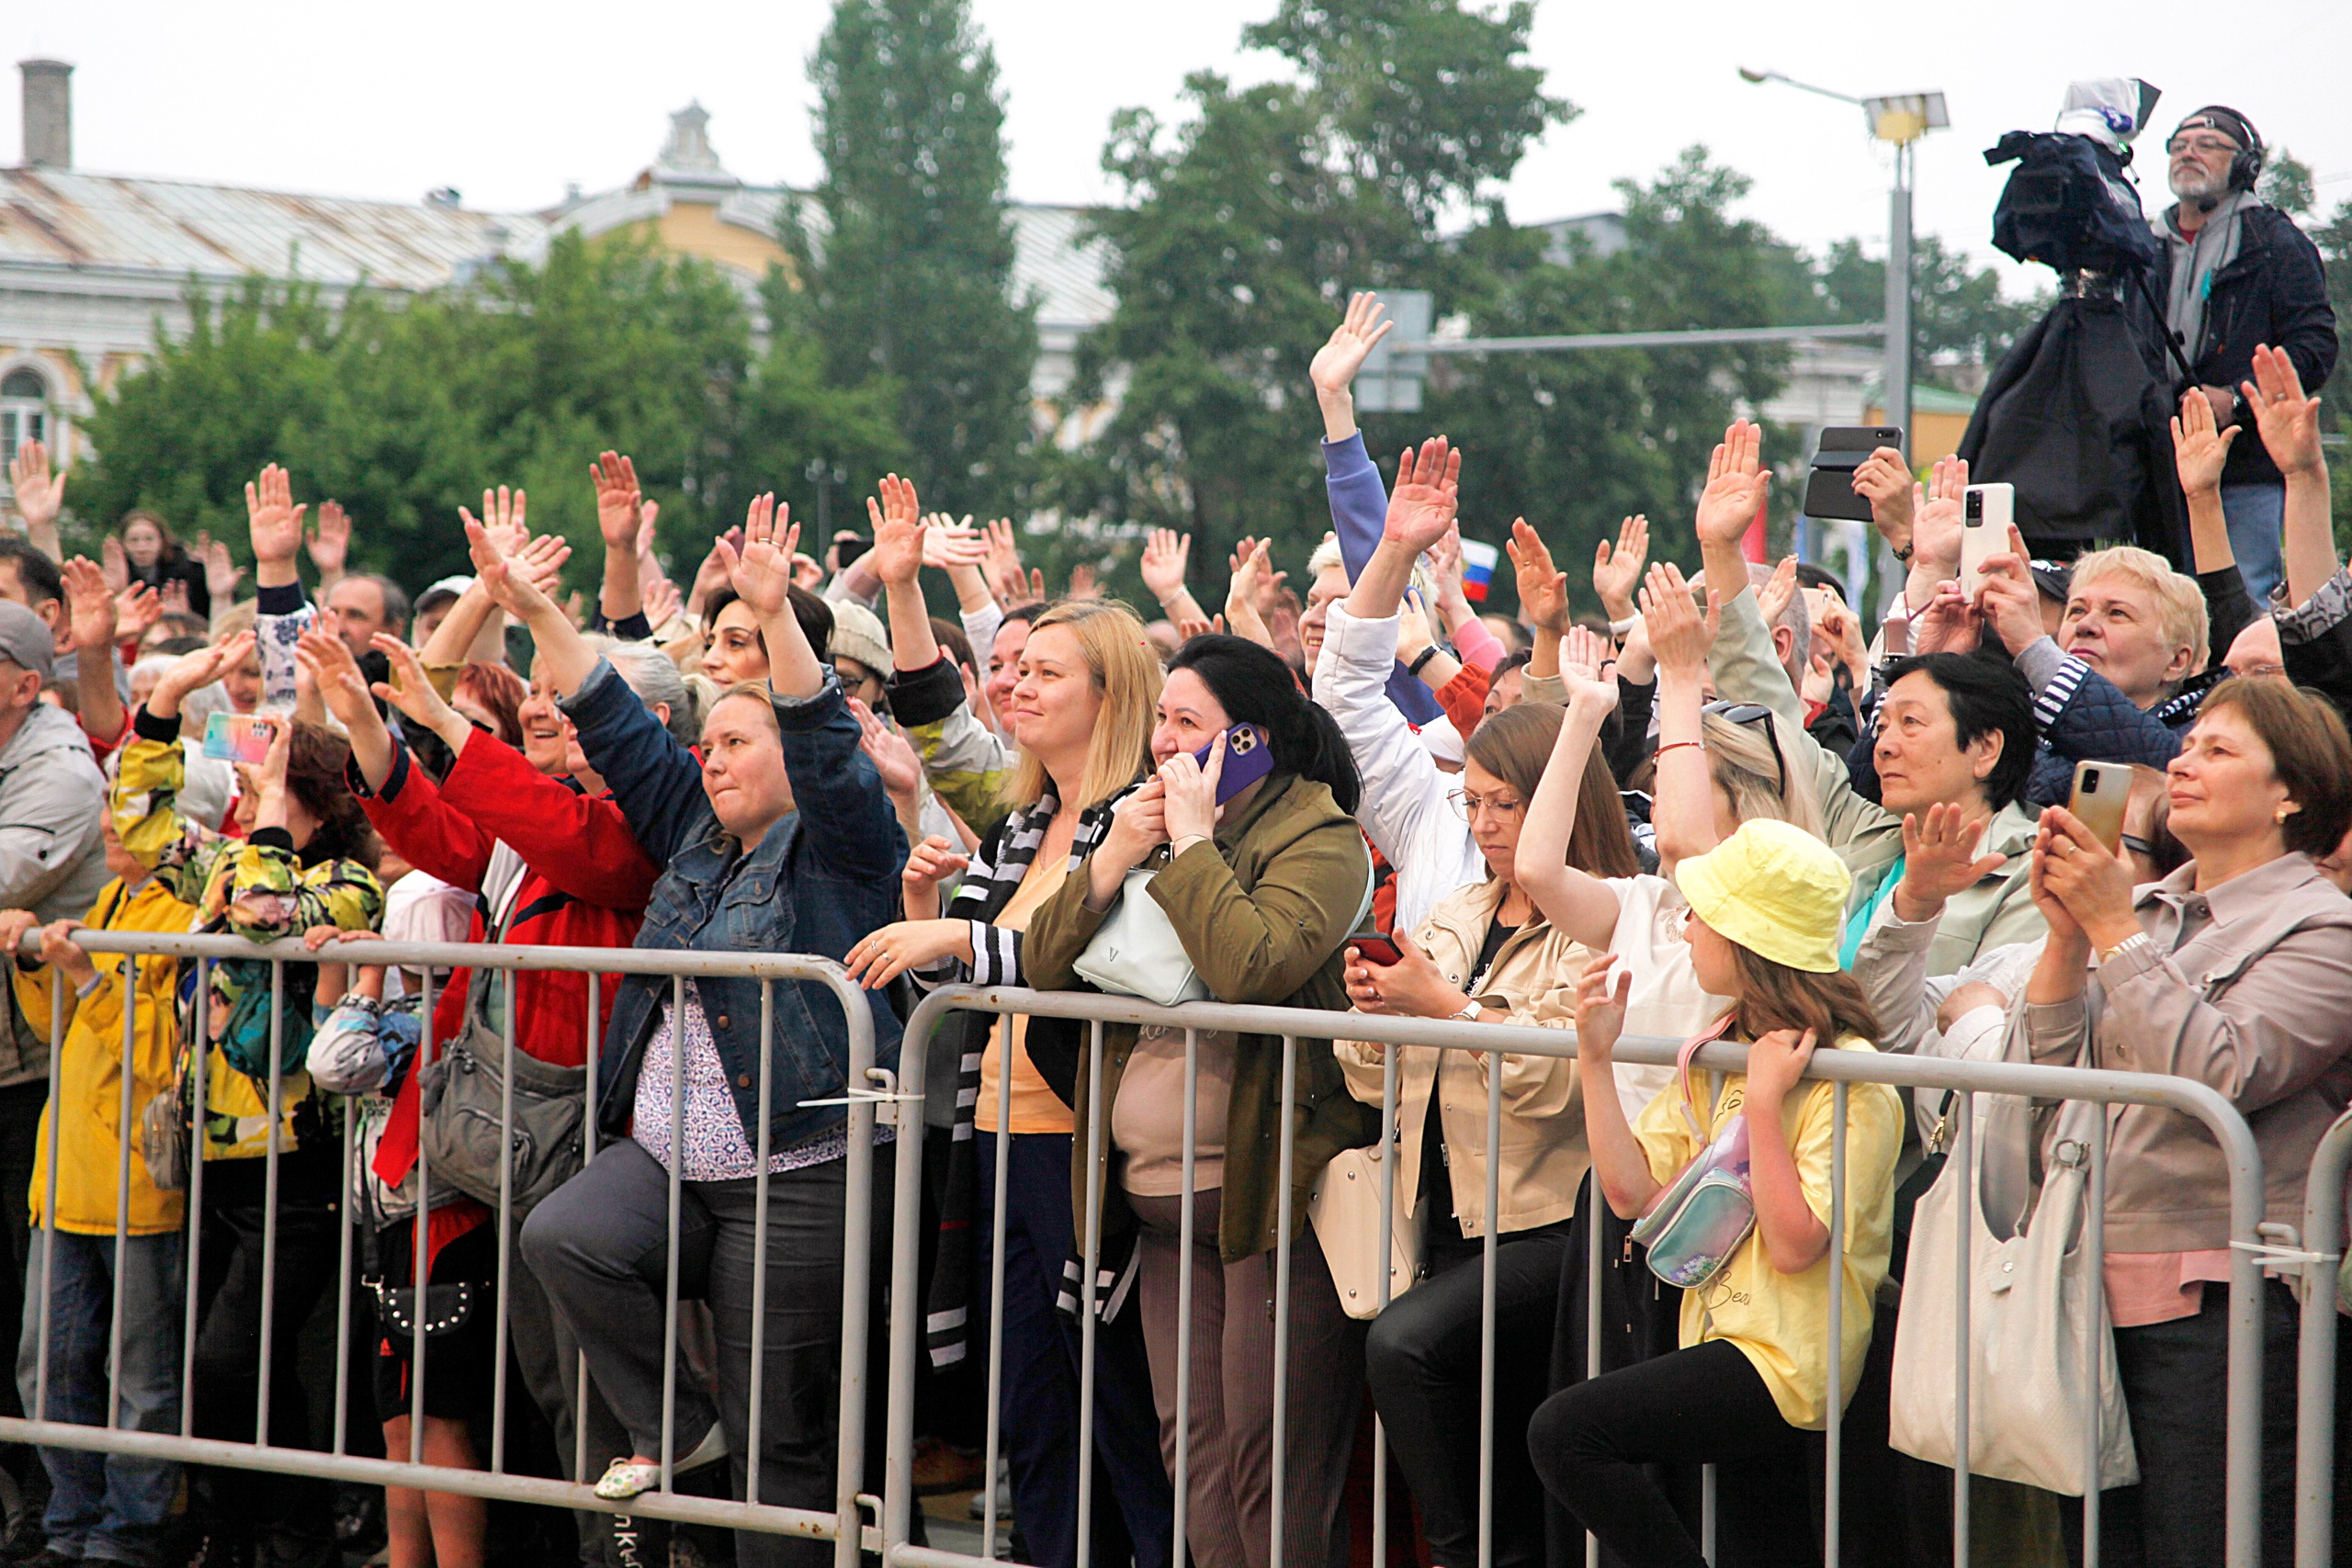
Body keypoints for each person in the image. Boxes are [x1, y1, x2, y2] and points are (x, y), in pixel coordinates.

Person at [506, 494, 902, 1568]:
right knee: (564, 1235)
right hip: (676, 1160)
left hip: (799, 1168)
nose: (711, 759)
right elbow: (615, 721)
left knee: (787, 1440)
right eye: (709, 742)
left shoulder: (842, 846)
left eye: (734, 741)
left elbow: (825, 751)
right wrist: (538, 606)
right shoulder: (694, 828)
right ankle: (684, 1437)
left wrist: (774, 620)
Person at [299, 620, 664, 1568]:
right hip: (514, 1143)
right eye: (535, 687)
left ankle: (631, 1553)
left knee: (601, 1401)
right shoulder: (540, 811)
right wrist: (371, 731)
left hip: (587, 1146)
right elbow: (444, 832)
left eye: (569, 692)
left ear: (648, 723)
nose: (542, 704)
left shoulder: (649, 818)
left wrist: (449, 727)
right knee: (553, 1386)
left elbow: (587, 849)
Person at [1018, 632, 1376, 1568]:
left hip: (1266, 1202)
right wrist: (1108, 862)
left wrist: (1190, 846)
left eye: (1190, 724)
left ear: (1250, 741)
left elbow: (1252, 966)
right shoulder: (1147, 821)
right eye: (1161, 722)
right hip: (1160, 1208)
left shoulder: (1319, 836)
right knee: (1194, 1453)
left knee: (1268, 1454)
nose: (1165, 744)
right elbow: (1042, 966)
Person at [843, 592, 1175, 1568]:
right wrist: (928, 908)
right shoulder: (1031, 818)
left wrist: (959, 933)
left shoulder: (1143, 816)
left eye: (1046, 673)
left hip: (1083, 1146)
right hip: (997, 1131)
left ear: (1110, 697)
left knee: (1112, 1404)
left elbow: (1082, 959)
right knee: (1032, 1405)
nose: (1017, 686)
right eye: (1019, 670)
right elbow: (975, 978)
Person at [2017, 675, 2352, 1566]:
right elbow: (2046, 1081)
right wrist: (2063, 939)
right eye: (2188, 743)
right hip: (2091, 1289)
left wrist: (2109, 929)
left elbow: (2221, 1069)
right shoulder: (2152, 914)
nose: (2184, 763)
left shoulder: (2325, 931)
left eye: (2218, 749)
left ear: (2292, 794)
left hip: (2224, 1312)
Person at [1526, 818, 1903, 1567]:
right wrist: (1595, 1059)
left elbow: (1796, 1246)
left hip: (1788, 1363)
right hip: (1723, 1340)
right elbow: (1632, 1193)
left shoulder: (1852, 1075)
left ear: (1749, 935)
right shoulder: (1725, 1044)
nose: (1686, 924)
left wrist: (1763, 1109)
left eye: (1704, 911)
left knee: (1566, 1433)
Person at [1337, 700, 1641, 1568]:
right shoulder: (1462, 906)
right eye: (1471, 803)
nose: (1484, 823)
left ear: (1560, 802)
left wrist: (1450, 1010)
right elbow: (1369, 1075)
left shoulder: (1606, 920)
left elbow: (1554, 1083)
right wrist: (1377, 1009)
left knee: (1403, 1346)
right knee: (1486, 1433)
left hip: (1551, 1221)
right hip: (1442, 1216)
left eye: (1505, 802)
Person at [117, 637, 385, 1568]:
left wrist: (265, 817)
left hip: (295, 1165)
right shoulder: (239, 865)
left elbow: (267, 914)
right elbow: (143, 826)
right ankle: (256, 1535)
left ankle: (280, 1529)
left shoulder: (343, 888)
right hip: (216, 1160)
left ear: (316, 804)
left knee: (236, 1361)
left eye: (278, 793)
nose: (254, 805)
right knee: (240, 1372)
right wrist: (169, 701)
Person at [0, 807, 195, 1568]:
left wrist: (82, 973)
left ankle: (130, 1530)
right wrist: (34, 965)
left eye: (139, 811)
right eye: (114, 806)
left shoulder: (183, 918)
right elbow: (63, 1027)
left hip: (138, 1184)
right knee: (43, 1363)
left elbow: (158, 1057)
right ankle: (71, 1519)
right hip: (67, 1179)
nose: (114, 823)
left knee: (142, 1374)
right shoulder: (111, 905)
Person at [2153, 107, 2338, 602]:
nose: (2188, 152)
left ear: (2246, 166)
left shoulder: (2275, 242)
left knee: (2240, 599)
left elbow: (2314, 346)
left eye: (2208, 144)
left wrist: (2236, 398)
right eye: (2178, 144)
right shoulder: (2138, 246)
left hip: (2245, 467)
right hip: (2157, 467)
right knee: (2155, 607)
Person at [116, 512, 209, 621]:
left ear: (162, 541)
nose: (141, 548)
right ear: (123, 544)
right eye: (134, 540)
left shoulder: (188, 572)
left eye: (149, 539)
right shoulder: (115, 576)